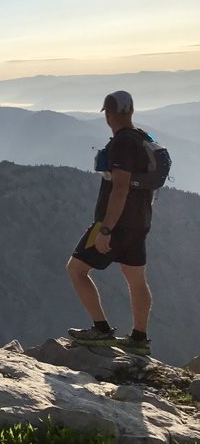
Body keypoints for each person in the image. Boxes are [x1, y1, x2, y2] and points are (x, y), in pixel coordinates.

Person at [66, 90, 155, 355]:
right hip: (139, 222)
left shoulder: (121, 144)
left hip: (115, 223)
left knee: (76, 270)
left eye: (107, 112)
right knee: (136, 278)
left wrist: (106, 228)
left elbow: (120, 188)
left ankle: (101, 330)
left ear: (110, 113)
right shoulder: (142, 139)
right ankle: (139, 339)